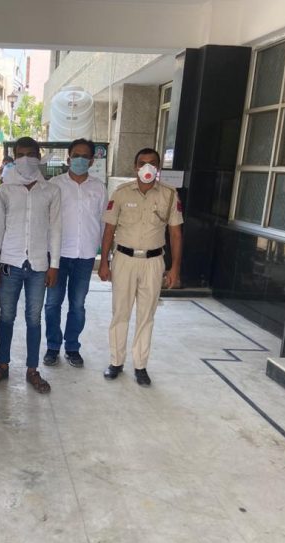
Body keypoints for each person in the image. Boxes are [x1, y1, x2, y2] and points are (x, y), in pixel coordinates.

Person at [0, 137, 61, 394]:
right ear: (14, 158)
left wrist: (54, 265)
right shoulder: (6, 190)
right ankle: (2, 366)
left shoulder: (50, 191)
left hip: (38, 265)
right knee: (6, 316)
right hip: (10, 263)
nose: (26, 159)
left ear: (39, 156)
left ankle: (32, 370)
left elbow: (55, 230)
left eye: (30, 154)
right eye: (20, 154)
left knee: (33, 319)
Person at [98, 147, 183, 385]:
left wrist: (175, 268)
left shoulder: (169, 195)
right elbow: (109, 230)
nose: (147, 167)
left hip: (153, 262)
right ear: (135, 167)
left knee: (147, 316)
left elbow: (176, 234)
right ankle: (116, 362)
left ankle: (140, 366)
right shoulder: (121, 193)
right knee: (120, 313)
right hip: (124, 260)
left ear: (158, 167)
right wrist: (104, 262)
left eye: (152, 163)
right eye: (142, 162)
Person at [43, 138, 107, 368]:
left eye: (85, 156)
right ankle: (52, 347)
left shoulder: (99, 188)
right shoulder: (54, 185)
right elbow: (45, 220)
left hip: (85, 255)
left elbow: (104, 223)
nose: (80, 159)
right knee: (52, 303)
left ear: (91, 161)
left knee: (78, 305)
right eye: (76, 155)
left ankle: (72, 347)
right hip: (57, 256)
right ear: (69, 158)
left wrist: (105, 257)